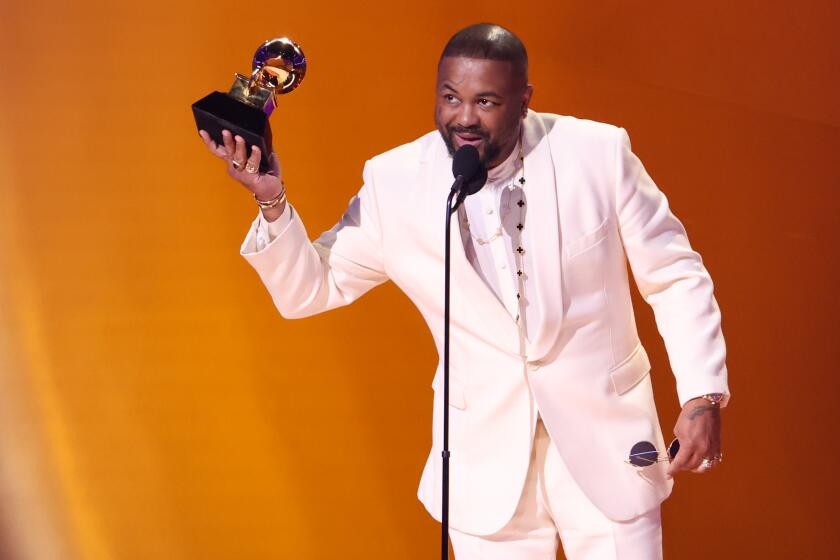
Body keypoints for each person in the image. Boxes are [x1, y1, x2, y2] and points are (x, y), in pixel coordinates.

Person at [199, 23, 729, 560]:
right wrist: (271, 200)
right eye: (450, 98)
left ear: (524, 100)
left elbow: (675, 273)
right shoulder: (396, 182)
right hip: (481, 466)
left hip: (608, 449)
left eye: (486, 101)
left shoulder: (598, 154)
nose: (464, 117)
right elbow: (310, 289)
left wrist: (702, 394)